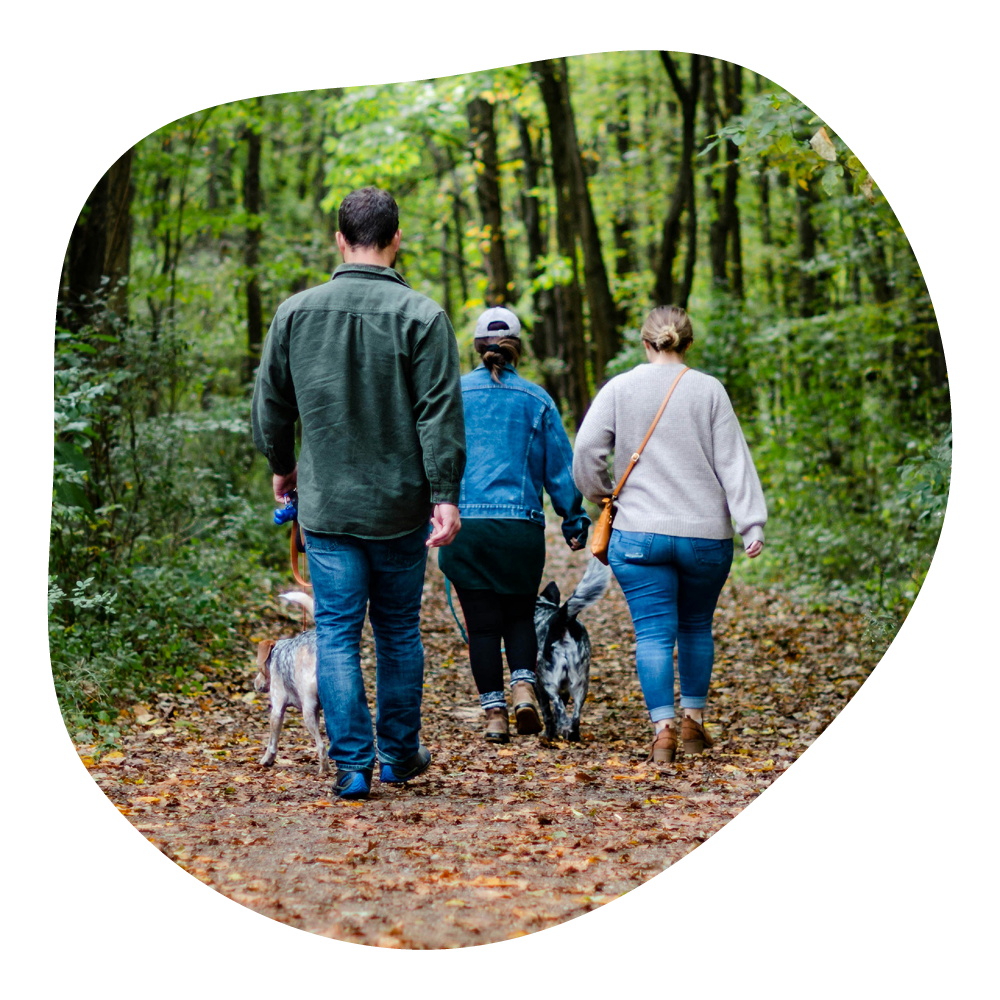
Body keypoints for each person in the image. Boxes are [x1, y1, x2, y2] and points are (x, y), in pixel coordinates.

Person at [251, 187, 466, 800]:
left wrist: (283, 466)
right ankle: (399, 755)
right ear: (396, 240)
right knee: (398, 631)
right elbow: (439, 416)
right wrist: (445, 493)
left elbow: (271, 406)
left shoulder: (294, 313)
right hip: (401, 507)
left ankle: (351, 767)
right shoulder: (423, 317)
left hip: (328, 506)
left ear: (339, 241)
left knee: (339, 633)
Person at [573, 305, 766, 763]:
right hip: (705, 536)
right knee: (697, 627)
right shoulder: (708, 390)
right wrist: (750, 522)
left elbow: (585, 449)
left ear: (646, 342)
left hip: (639, 535)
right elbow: (733, 461)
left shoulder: (620, 388)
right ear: (688, 343)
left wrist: (602, 493)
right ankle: (694, 724)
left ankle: (662, 731)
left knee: (653, 634)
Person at [438, 307, 590, 744]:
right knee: (520, 617)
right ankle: (523, 688)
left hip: (466, 528)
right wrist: (573, 519)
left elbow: (435, 454)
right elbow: (560, 468)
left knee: (482, 627)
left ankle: (494, 717)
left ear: (475, 348)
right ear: (518, 349)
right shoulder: (537, 400)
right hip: (520, 530)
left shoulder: (452, 394)